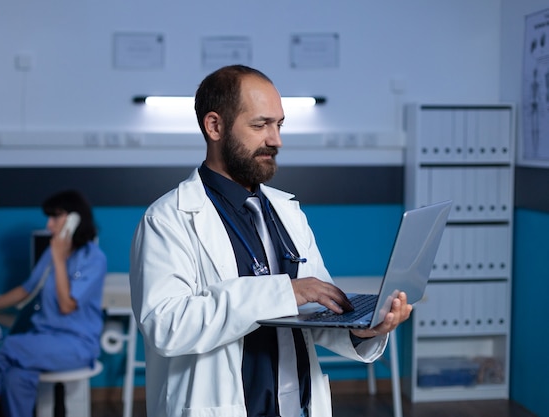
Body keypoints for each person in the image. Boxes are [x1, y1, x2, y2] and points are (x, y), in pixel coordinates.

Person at [129, 64, 412, 417]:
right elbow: (166, 326)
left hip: (298, 406)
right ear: (214, 126)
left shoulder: (286, 212)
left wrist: (366, 330)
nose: (275, 140)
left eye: (279, 125)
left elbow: (317, 311)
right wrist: (285, 292)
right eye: (260, 125)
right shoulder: (169, 219)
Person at [0, 189, 107, 417]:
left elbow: (66, 305)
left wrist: (59, 260)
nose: (49, 224)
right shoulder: (52, 254)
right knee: (15, 377)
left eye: (55, 217)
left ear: (75, 219)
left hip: (75, 345)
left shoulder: (93, 258)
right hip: (42, 339)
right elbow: (25, 290)